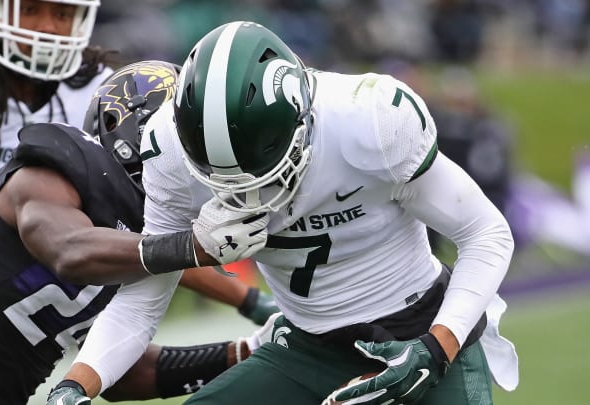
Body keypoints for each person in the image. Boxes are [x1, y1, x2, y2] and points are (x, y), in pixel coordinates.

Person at [138, 21, 517, 404]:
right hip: (307, 345)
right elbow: (143, 285)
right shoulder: (168, 148)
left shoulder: (369, 118)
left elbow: (486, 232)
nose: (244, 187)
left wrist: (436, 350)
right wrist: (79, 385)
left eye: (260, 156)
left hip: (418, 331)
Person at [0, 59, 271, 404]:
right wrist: (192, 246)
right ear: (133, 127)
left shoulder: (137, 232)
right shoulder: (49, 176)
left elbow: (119, 368)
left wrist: (247, 351)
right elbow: (70, 250)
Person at [0, 0, 275, 328]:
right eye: (30, 9)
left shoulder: (100, 95)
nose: (47, 28)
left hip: (7, 310)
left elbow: (142, 233)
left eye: (62, 13)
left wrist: (251, 301)